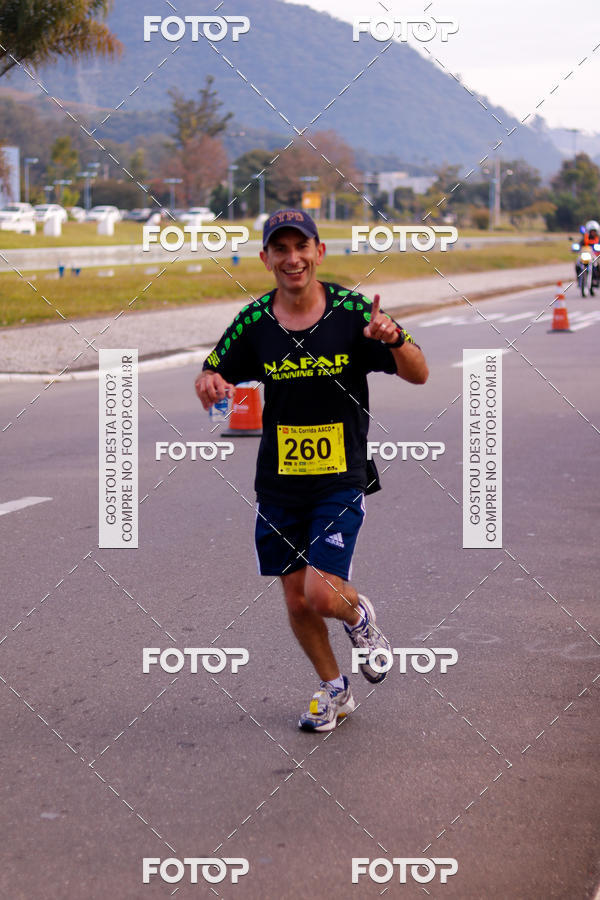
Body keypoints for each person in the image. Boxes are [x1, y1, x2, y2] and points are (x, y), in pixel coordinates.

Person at [195, 209, 429, 731]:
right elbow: (214, 370)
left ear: (319, 252)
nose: (292, 258)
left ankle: (359, 617)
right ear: (266, 258)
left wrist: (393, 338)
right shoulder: (254, 321)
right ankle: (335, 689)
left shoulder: (352, 312)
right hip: (279, 484)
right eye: (280, 249)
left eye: (301, 247)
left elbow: (419, 372)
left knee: (322, 595)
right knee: (297, 603)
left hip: (339, 476)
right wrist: (209, 381)